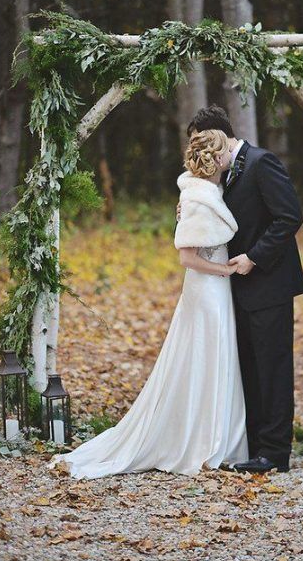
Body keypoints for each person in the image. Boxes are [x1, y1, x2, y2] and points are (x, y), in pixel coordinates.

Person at [48, 129, 249, 478]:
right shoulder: (199, 198)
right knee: (203, 356)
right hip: (207, 288)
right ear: (216, 160)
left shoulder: (210, 191)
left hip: (215, 288)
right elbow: (187, 257)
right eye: (226, 151)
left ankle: (219, 433)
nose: (232, 154)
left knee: (217, 356)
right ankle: (200, 438)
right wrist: (223, 270)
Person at [180, 105, 303, 473]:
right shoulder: (220, 174)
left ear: (218, 135)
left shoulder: (261, 162)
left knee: (273, 368)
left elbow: (290, 216)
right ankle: (253, 444)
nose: (199, 150)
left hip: (270, 283)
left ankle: (275, 452)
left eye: (201, 140)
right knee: (249, 367)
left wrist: (255, 256)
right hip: (236, 287)